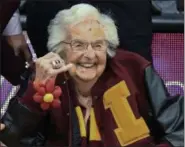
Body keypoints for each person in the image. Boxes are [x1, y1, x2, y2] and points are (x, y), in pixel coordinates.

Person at [0, 4, 183, 147]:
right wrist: (34, 93)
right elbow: (10, 139)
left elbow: (179, 128)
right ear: (60, 50)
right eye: (78, 45)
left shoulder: (134, 68)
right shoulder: (47, 78)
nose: (89, 55)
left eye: (98, 45)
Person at [26, 0, 153, 61]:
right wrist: (12, 28)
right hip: (53, 6)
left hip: (125, 10)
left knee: (132, 74)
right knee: (56, 80)